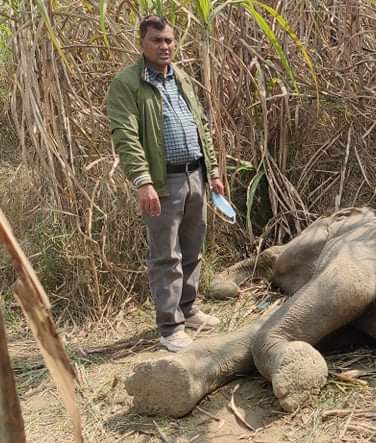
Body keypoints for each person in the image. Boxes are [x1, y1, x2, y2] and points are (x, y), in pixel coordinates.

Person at [105, 16, 225, 352]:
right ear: (141, 43)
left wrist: (213, 172)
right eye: (157, 40)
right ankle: (170, 327)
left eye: (169, 40)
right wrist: (143, 182)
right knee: (165, 256)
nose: (165, 46)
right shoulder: (127, 84)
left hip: (195, 175)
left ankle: (188, 309)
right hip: (163, 181)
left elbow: (201, 126)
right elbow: (125, 137)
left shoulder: (182, 79)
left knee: (191, 248)